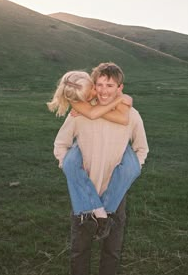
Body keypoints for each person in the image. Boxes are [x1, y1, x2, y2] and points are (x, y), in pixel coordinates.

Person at [52, 63, 149, 275]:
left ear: (120, 88)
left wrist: (130, 171)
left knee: (112, 250)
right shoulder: (80, 112)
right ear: (93, 86)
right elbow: (61, 144)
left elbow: (141, 148)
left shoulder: (132, 116)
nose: (104, 90)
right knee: (80, 250)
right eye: (100, 84)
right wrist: (70, 169)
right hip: (84, 194)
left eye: (110, 85)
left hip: (115, 194)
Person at [47, 70, 138, 240]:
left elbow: (124, 118)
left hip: (109, 156)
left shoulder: (88, 87)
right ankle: (99, 214)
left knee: (131, 167)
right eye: (88, 96)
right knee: (70, 163)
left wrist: (122, 100)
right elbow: (94, 113)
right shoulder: (78, 102)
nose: (94, 95)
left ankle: (101, 213)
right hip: (81, 148)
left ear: (91, 81)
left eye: (93, 90)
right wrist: (120, 98)